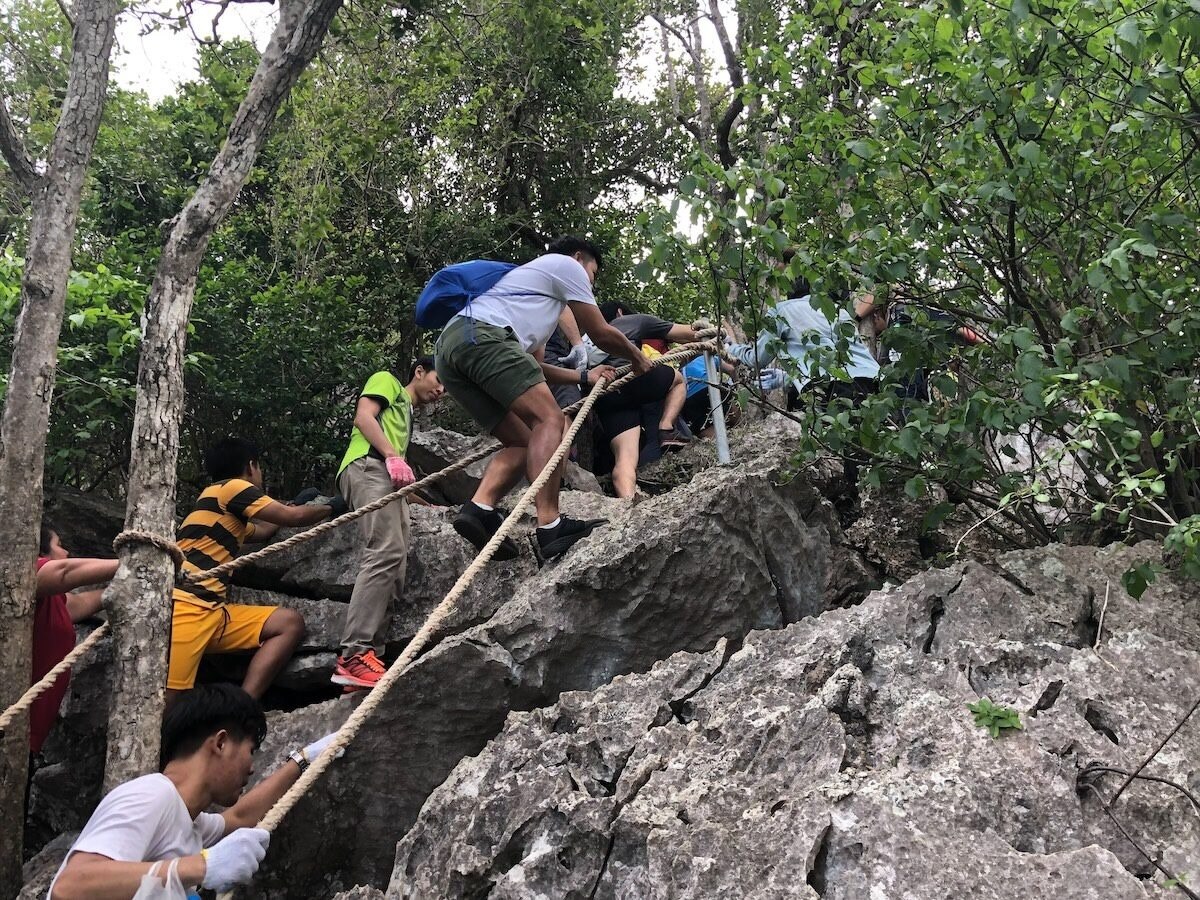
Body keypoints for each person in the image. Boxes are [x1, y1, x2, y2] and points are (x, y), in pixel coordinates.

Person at [435, 236, 645, 560]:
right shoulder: (565, 265)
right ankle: (551, 526)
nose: (591, 281)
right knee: (551, 419)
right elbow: (602, 332)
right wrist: (636, 357)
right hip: (483, 337)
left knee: (524, 441)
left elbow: (534, 367)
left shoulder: (533, 303)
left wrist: (586, 376)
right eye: (594, 272)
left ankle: (479, 510)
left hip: (451, 350)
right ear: (579, 258)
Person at [48, 684, 339, 900]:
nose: (252, 768)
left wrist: (303, 760)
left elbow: (239, 817)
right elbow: (70, 885)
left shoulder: (189, 819)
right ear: (221, 743)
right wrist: (199, 867)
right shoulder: (152, 795)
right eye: (250, 751)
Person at [170, 438, 343, 702]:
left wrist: (295, 504)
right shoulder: (233, 487)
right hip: (188, 606)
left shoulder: (214, 505)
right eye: (259, 467)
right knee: (168, 705)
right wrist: (332, 506)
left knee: (288, 623)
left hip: (213, 613)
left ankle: (243, 705)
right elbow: (290, 518)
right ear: (251, 467)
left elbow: (263, 531)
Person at [332, 355, 445, 690]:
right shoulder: (388, 382)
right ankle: (355, 653)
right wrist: (392, 455)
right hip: (369, 466)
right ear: (419, 372)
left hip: (385, 476)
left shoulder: (405, 416)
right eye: (438, 380)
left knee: (395, 565)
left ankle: (368, 662)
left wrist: (428, 505)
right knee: (384, 551)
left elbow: (401, 479)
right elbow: (364, 418)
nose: (441, 390)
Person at [726, 277, 883, 411]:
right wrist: (788, 378)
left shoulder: (782, 310)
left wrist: (731, 348)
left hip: (832, 384)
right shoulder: (839, 311)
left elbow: (757, 358)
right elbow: (834, 355)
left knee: (841, 442)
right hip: (875, 379)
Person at [30, 527, 117, 755]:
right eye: (59, 544)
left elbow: (79, 604)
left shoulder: (50, 601)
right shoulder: (25, 576)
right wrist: (130, 564)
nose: (66, 551)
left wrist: (125, 585)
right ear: (41, 553)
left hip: (28, 735)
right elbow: (64, 572)